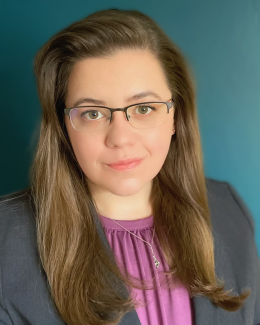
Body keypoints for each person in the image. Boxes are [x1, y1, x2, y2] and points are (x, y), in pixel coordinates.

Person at [0, 8, 259, 325]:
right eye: (92, 113)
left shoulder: (229, 209)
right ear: (63, 126)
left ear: (175, 117)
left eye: (144, 108)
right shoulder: (6, 244)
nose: (120, 138)